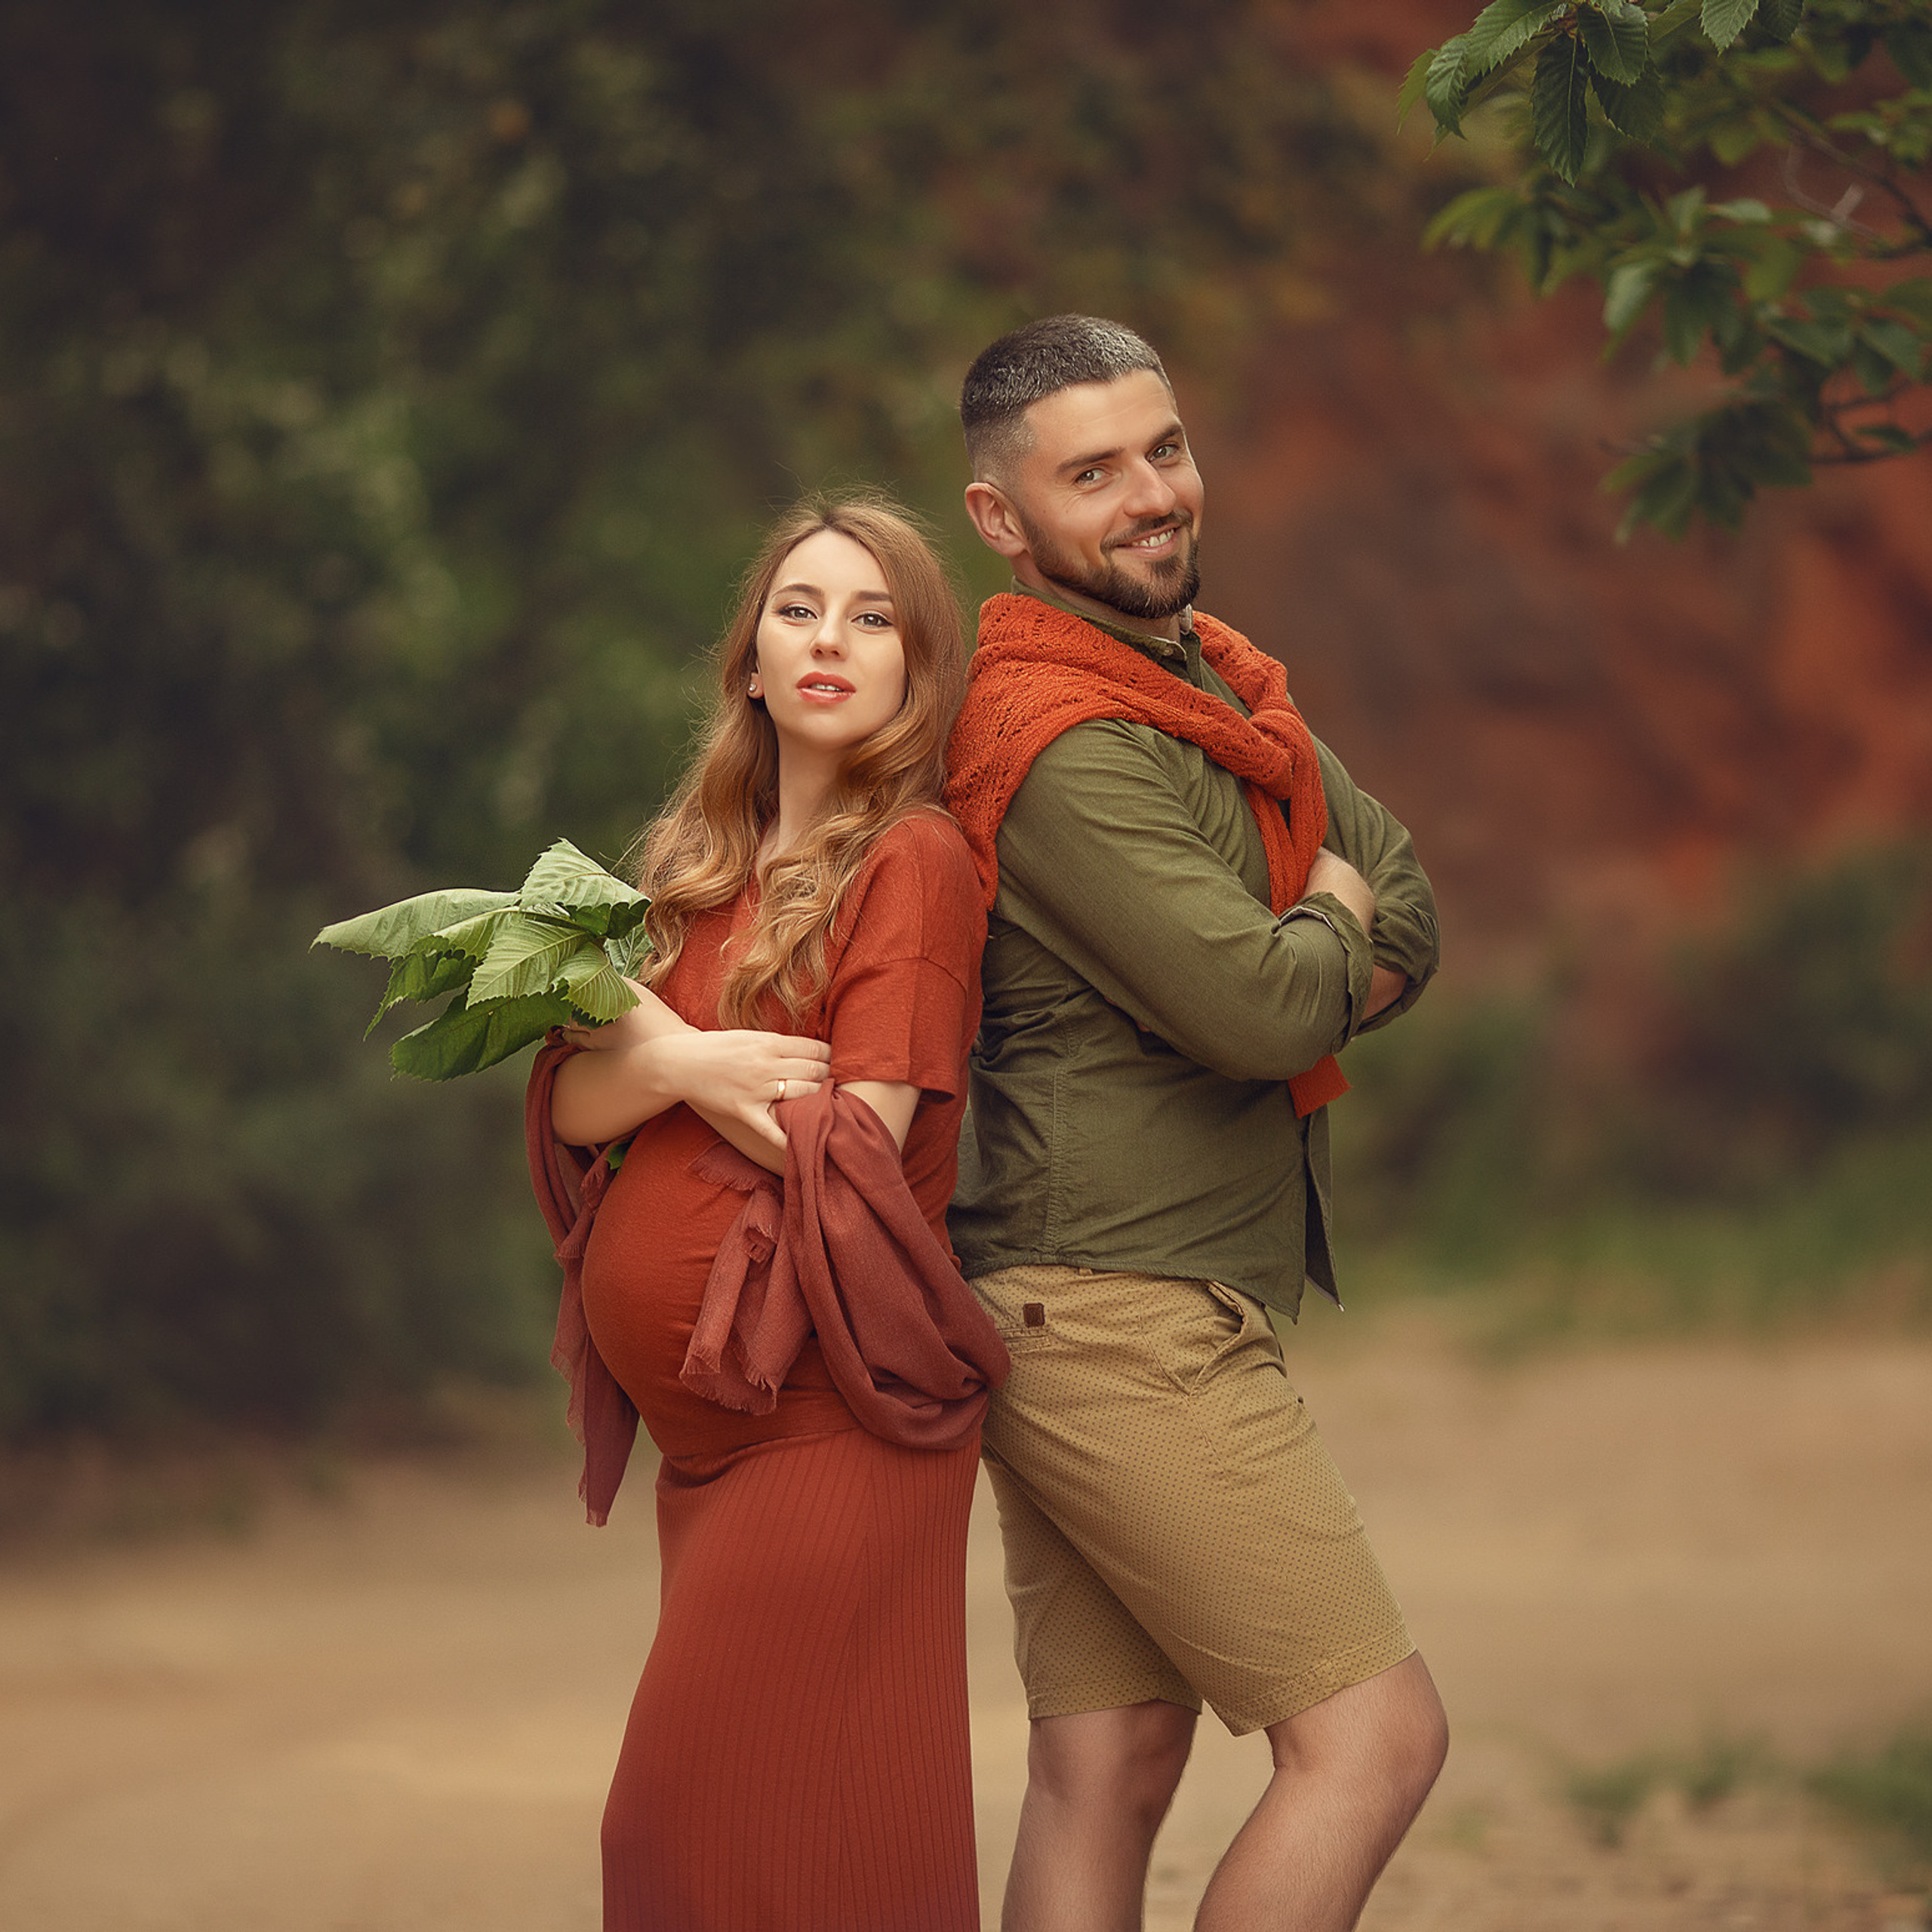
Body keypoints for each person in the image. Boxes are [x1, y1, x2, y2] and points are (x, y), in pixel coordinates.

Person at [943, 315, 1450, 1932]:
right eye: (1088, 472)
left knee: (1111, 1759)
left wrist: (1306, 954)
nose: (1149, 494)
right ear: (999, 519)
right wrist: (1316, 940)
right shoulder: (1057, 740)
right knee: (1371, 1737)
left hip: (1102, 1291)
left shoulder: (1213, 683)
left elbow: (1411, 907)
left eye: (1161, 449)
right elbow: (1261, 1010)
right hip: (1114, 1311)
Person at [525, 494, 1008, 1932]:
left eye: (875, 621)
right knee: (760, 1845)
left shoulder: (910, 861)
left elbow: (861, 1147)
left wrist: (666, 1075)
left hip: (831, 1426)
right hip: (716, 1449)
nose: (830, 642)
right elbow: (569, 1105)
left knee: (703, 1832)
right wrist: (681, 1061)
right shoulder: (694, 865)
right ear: (749, 659)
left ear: (916, 676)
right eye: (800, 609)